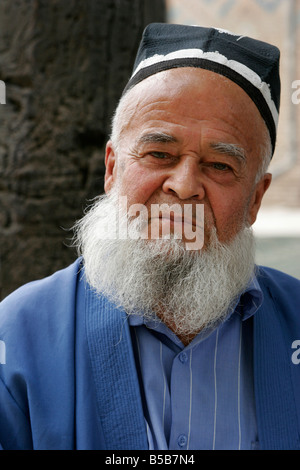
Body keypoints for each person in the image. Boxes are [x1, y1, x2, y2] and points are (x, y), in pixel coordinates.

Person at [0, 23, 300, 451]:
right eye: (159, 154)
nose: (184, 185)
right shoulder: (18, 335)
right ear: (111, 168)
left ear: (256, 198)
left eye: (219, 165)